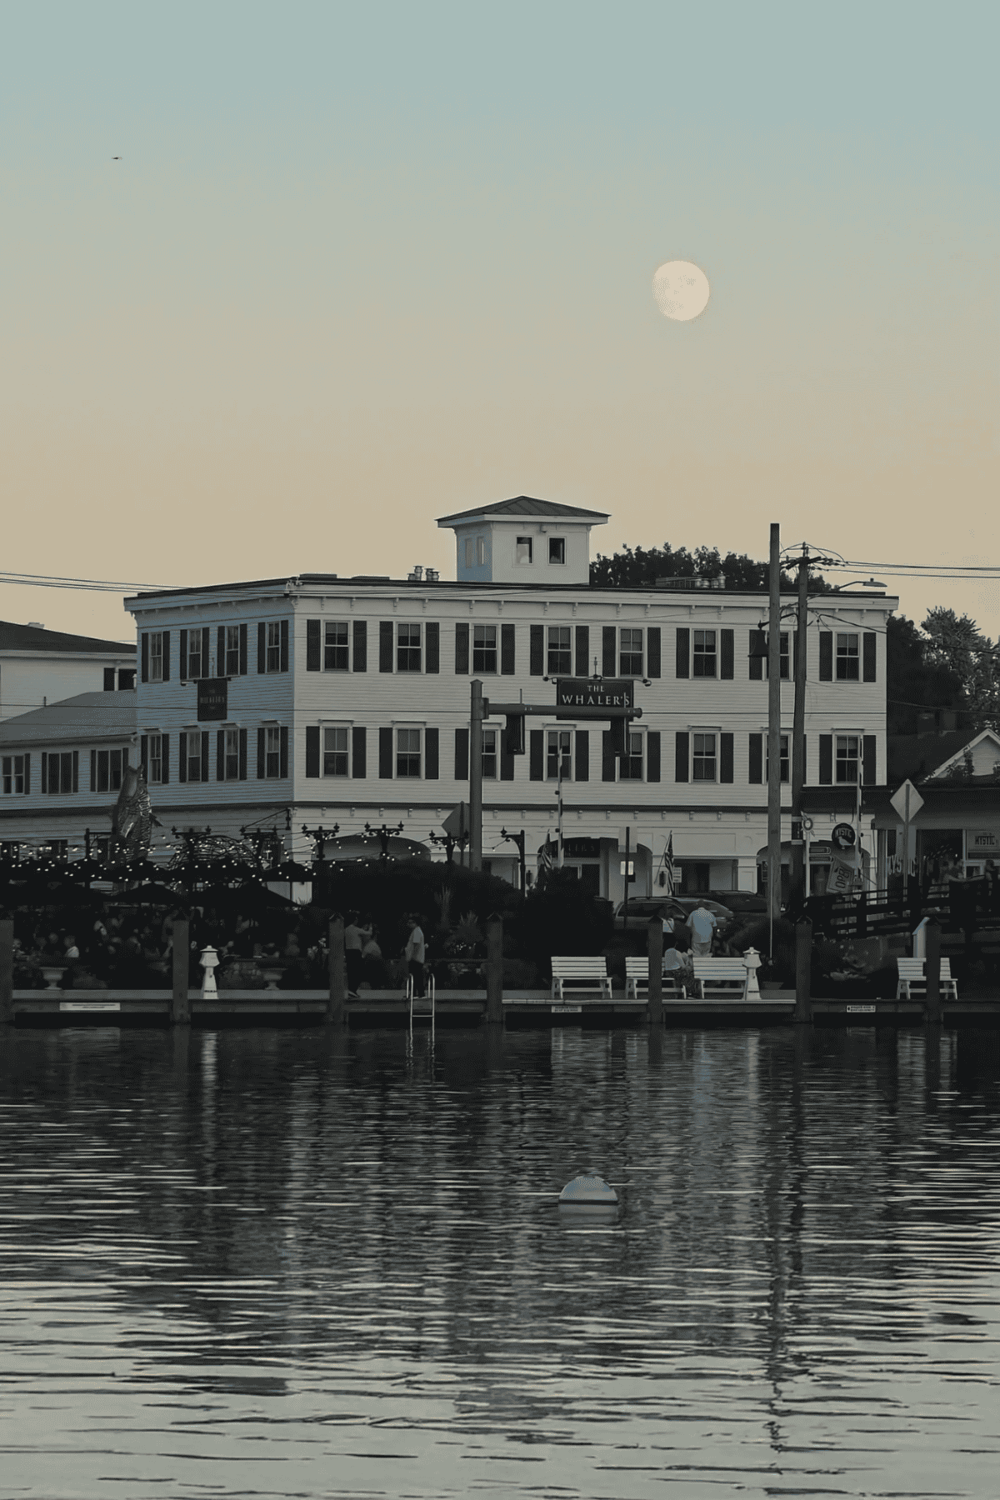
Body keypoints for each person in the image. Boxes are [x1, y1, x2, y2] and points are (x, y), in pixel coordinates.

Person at [343, 911, 372, 997]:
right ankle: (353, 989)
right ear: (354, 920)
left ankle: (351, 990)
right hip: (355, 952)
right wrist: (370, 927)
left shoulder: (346, 930)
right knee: (358, 971)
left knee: (351, 971)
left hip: (348, 951)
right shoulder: (356, 929)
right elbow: (369, 934)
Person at [404, 914, 426, 998]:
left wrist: (412, 955)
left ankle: (417, 993)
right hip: (416, 958)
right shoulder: (416, 931)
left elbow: (416, 944)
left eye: (410, 923)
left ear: (415, 923)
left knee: (416, 976)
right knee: (417, 976)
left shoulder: (416, 931)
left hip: (415, 959)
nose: (408, 924)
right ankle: (417, 993)